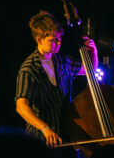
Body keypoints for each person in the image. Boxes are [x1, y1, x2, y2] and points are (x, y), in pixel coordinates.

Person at [15, 10, 98, 147]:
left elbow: (89, 70)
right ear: (39, 39)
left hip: (66, 135)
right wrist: (45, 128)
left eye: (59, 39)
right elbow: (21, 107)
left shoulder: (61, 60)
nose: (58, 43)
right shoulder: (29, 69)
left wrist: (93, 52)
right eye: (53, 40)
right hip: (40, 140)